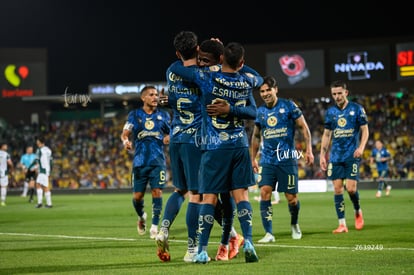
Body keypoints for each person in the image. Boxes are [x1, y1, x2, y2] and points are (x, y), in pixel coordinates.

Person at [169, 41, 262, 263]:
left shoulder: (206, 77)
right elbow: (254, 104)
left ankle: (201, 250)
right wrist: (233, 109)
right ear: (241, 62)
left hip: (213, 146)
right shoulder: (245, 81)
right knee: (242, 196)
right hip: (239, 144)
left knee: (208, 198)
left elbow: (176, 69)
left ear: (219, 60)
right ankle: (248, 240)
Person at [156, 33, 242, 263]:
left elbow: (175, 96)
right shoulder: (206, 75)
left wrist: (169, 101)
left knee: (180, 190)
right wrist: (219, 50)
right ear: (197, 50)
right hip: (199, 139)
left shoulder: (172, 69)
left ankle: (164, 229)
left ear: (177, 53)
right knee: (201, 195)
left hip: (176, 137)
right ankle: (193, 248)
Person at [250, 76, 314, 243]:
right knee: (264, 193)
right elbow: (256, 136)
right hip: (268, 160)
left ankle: (294, 224)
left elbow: (304, 128)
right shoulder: (261, 112)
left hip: (286, 159)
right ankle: (269, 233)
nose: (265, 94)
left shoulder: (289, 106)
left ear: (275, 89)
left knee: (291, 198)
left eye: (268, 90)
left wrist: (309, 151)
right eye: (262, 91)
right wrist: (253, 158)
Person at [121, 85, 171, 240]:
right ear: (143, 98)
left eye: (156, 94)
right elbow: (125, 133)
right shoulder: (135, 115)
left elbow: (171, 132)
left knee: (157, 192)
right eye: (151, 94)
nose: (155, 97)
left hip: (158, 161)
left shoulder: (164, 116)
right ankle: (142, 216)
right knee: (137, 197)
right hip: (140, 162)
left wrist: (170, 137)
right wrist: (126, 141)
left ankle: (154, 227)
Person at [319, 80, 369, 233]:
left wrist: (361, 148)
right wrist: (322, 155)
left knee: (351, 189)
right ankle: (342, 224)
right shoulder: (331, 113)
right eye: (334, 94)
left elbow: (365, 131)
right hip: (335, 157)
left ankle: (357, 211)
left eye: (339, 93)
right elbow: (327, 134)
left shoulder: (357, 109)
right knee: (338, 189)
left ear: (346, 93)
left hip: (351, 154)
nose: (337, 96)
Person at [30, 136, 53, 208]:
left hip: (42, 170)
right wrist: (50, 170)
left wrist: (30, 167)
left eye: (37, 141)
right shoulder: (48, 150)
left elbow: (36, 160)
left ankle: (49, 204)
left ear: (39, 142)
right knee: (38, 184)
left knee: (45, 186)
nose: (36, 142)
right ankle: (40, 203)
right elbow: (51, 161)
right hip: (46, 170)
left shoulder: (39, 150)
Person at [0, 142, 14, 206]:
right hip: (3, 173)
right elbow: (10, 163)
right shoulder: (6, 154)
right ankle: (2, 201)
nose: (6, 146)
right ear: (2, 146)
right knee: (3, 186)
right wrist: (12, 170)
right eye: (5, 145)